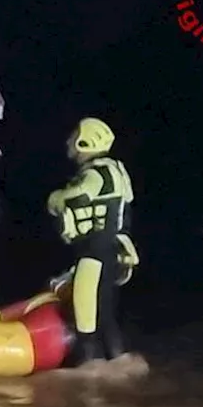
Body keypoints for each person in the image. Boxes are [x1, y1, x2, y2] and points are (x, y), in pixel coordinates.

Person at [45, 117, 138, 364]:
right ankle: (120, 370)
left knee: (85, 319)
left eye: (74, 136)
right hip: (110, 253)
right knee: (106, 317)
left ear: (86, 141)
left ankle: (88, 380)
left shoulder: (97, 174)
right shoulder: (116, 170)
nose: (69, 142)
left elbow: (71, 199)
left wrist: (55, 198)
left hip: (94, 254)